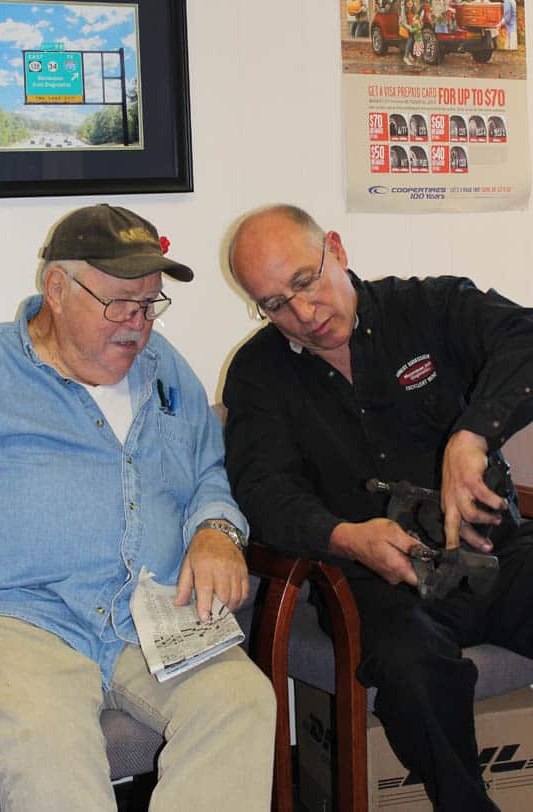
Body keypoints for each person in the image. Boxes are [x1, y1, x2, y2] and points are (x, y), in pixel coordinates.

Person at [0, 203, 276, 812]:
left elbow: (209, 472)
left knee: (241, 702)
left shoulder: (165, 369)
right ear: (56, 289)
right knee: (45, 750)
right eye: (119, 303)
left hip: (153, 611)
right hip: (17, 618)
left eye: (149, 304)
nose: (137, 325)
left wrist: (216, 529)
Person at [223, 203, 533, 812]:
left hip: (496, 550)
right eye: (275, 304)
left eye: (306, 281)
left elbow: (525, 338)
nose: (303, 314)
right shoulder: (259, 374)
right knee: (412, 674)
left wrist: (473, 435)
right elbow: (264, 493)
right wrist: (344, 536)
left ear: (336, 249)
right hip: (378, 580)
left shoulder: (429, 307)